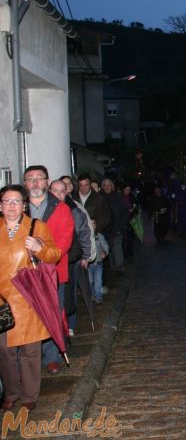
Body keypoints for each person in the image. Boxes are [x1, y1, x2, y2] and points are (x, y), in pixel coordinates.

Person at [0, 184, 61, 411]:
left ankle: (29, 395)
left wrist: (39, 247)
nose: (12, 206)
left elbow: (54, 256)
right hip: (3, 302)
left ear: (24, 205)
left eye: (17, 201)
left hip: (29, 299)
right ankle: (12, 391)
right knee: (4, 352)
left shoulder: (37, 227)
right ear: (0, 205)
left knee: (30, 351)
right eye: (7, 201)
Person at [23, 166, 74, 375]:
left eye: (39, 178)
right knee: (28, 315)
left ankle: (51, 356)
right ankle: (29, 357)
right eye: (30, 179)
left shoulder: (60, 209)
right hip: (24, 272)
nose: (35, 183)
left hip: (52, 270)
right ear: (25, 183)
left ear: (47, 181)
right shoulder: (19, 207)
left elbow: (64, 242)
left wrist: (42, 253)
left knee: (52, 311)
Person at [49, 179, 95, 337]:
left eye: (63, 190)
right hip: (49, 261)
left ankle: (70, 325)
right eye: (55, 191)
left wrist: (86, 255)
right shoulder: (44, 209)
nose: (59, 194)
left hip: (70, 258)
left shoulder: (74, 209)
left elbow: (83, 233)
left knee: (70, 294)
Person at [101, 179, 128, 274]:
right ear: (102, 187)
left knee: (117, 245)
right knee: (109, 246)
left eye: (109, 185)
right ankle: (114, 266)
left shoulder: (118, 197)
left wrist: (121, 226)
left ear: (112, 186)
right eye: (105, 185)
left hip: (117, 227)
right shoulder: (100, 197)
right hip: (105, 229)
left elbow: (125, 212)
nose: (107, 187)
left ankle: (120, 265)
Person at [88, 220, 109, 304]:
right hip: (89, 264)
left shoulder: (99, 236)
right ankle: (92, 295)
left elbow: (105, 245)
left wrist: (104, 252)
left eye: (94, 224)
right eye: (91, 223)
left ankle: (98, 298)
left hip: (98, 263)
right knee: (89, 281)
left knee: (98, 281)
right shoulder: (85, 236)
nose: (92, 225)